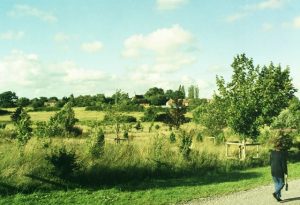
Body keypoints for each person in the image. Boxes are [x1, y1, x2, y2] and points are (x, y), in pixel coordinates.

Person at [270, 135, 288, 202]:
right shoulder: (282, 154)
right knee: (282, 183)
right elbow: (284, 165)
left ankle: (278, 197)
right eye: (281, 145)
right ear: (280, 146)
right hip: (279, 171)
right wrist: (286, 173)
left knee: (277, 184)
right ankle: (275, 193)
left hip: (273, 171)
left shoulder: (272, 153)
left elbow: (270, 162)